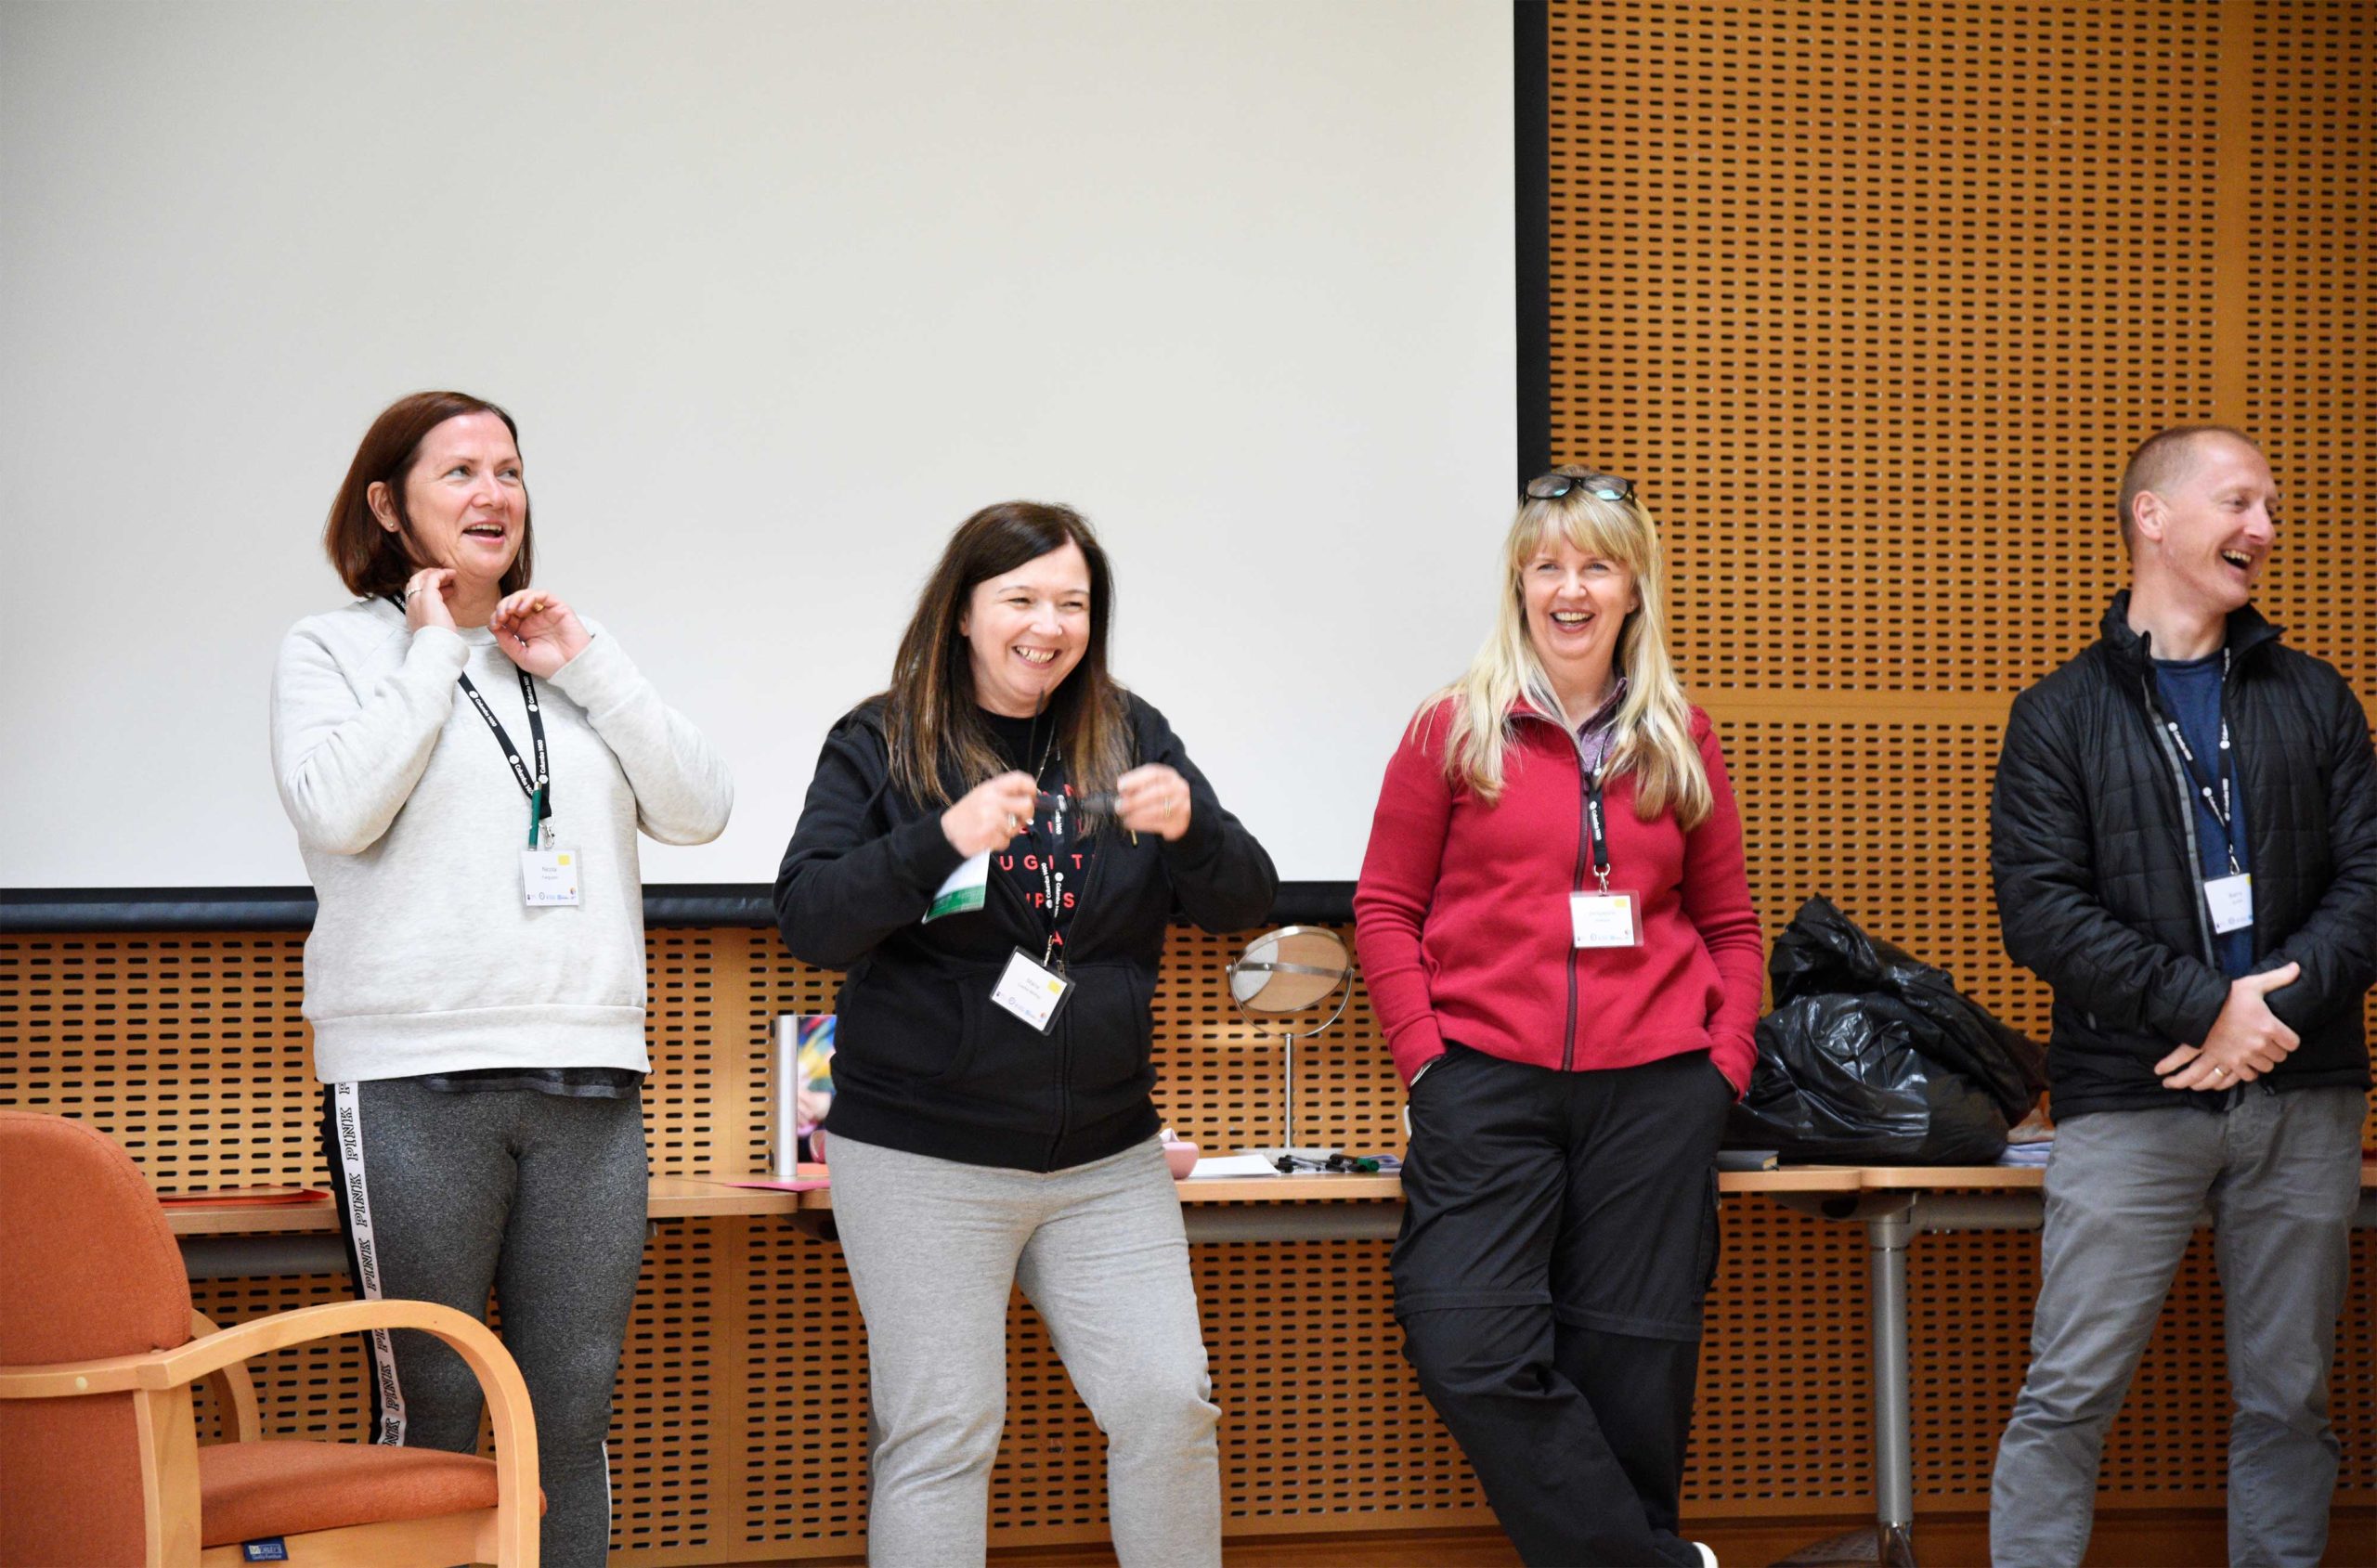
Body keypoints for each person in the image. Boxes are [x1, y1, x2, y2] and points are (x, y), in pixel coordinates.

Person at [271, 390, 734, 1567]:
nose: (495, 496)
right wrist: (432, 650)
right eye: (461, 473)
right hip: (416, 1080)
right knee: (434, 1406)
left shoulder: (566, 654)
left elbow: (699, 809)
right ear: (389, 504)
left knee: (568, 1413)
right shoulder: (335, 648)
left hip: (590, 1072)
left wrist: (591, 665)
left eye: (511, 472)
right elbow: (337, 809)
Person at [773, 500, 1276, 1567]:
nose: (1047, 625)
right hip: (921, 1154)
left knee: (1168, 1405)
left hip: (1105, 1155)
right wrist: (936, 841)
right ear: (962, 611)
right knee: (944, 1433)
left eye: (1073, 603)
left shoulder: (1131, 730)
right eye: (1021, 599)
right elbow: (812, 918)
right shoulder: (883, 739)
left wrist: (1196, 829)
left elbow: (1244, 901)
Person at [1354, 468, 1760, 1567]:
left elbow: (1730, 925)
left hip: (1658, 1090)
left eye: (1595, 565)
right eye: (1547, 565)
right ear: (1518, 584)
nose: (1568, 589)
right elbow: (1385, 909)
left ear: (1635, 589)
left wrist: (1720, 1061)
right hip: (1483, 1084)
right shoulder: (1453, 727)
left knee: (1633, 1367)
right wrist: (1427, 1062)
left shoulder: (1680, 735)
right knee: (1463, 1339)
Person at [1987, 425, 2376, 1567]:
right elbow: (2042, 913)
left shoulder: (2315, 697)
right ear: (2151, 518)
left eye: (2270, 506)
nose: (2264, 527)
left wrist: (2268, 1020)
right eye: (2238, 501)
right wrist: (2209, 1009)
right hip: (2130, 1096)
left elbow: (2369, 880)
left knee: (2289, 1401)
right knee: (2068, 1393)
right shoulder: (2056, 715)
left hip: (2303, 1096)